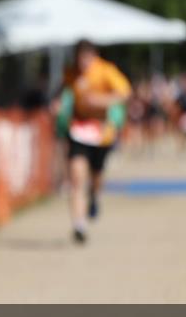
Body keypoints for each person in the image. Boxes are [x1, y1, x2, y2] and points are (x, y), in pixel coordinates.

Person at [54, 40, 131, 244]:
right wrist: (58, 104)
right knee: (77, 177)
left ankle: (95, 196)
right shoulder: (71, 73)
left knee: (96, 175)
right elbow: (62, 91)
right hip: (78, 129)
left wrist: (101, 100)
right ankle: (79, 224)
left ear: (94, 55)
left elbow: (124, 93)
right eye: (80, 57)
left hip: (101, 131)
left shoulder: (106, 70)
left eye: (86, 57)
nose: (83, 62)